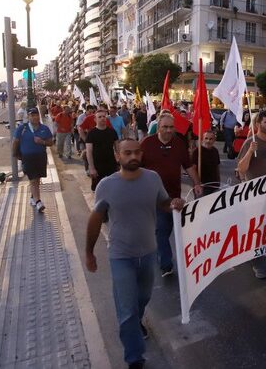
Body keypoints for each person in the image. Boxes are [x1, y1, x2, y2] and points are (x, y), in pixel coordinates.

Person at [85, 138, 185, 369]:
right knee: (127, 310)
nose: (133, 157)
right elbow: (95, 218)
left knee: (142, 299)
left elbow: (162, 202)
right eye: (127, 153)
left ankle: (134, 322)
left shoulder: (152, 178)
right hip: (121, 257)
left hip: (149, 253)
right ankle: (134, 357)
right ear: (117, 156)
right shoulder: (106, 185)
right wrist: (89, 252)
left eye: (137, 152)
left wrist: (173, 203)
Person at [140, 112, 203, 277]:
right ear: (158, 128)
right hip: (153, 197)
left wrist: (196, 183)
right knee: (161, 230)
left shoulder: (179, 144)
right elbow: (135, 167)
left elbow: (188, 166)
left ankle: (158, 250)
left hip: (174, 197)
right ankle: (166, 264)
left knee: (167, 229)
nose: (168, 130)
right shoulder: (147, 143)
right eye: (165, 127)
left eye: (171, 127)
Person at [236, 110, 266, 279]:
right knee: (256, 229)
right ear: (258, 124)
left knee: (265, 227)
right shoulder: (250, 142)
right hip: (253, 193)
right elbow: (241, 168)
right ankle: (256, 263)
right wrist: (249, 151)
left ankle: (256, 253)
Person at [12, 108, 54, 213]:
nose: (35, 117)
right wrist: (15, 154)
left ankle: (32, 197)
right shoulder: (22, 128)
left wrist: (42, 142)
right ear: (28, 117)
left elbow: (50, 142)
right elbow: (15, 142)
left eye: (36, 115)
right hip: (27, 157)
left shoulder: (44, 128)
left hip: (40, 156)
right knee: (33, 179)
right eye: (32, 115)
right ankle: (38, 202)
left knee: (37, 178)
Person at [86, 109, 119, 191]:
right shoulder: (91, 133)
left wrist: (120, 163)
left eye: (104, 116)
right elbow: (89, 152)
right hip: (97, 166)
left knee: (112, 188)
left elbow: (118, 149)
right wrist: (91, 168)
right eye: (99, 117)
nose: (102, 118)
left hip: (111, 165)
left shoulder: (112, 132)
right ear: (95, 119)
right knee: (98, 190)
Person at [192, 130, 221, 196]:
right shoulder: (197, 152)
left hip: (214, 185)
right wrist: (197, 184)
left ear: (214, 140)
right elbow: (193, 169)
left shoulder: (215, 151)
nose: (208, 141)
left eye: (211, 139)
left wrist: (219, 182)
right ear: (203, 139)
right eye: (206, 138)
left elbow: (217, 167)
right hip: (202, 185)